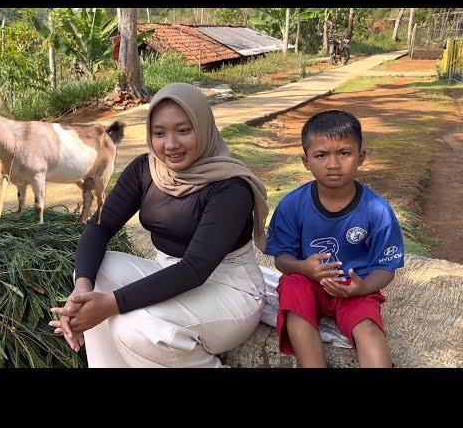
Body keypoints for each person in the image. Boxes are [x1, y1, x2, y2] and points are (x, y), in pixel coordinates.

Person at [49, 82, 269, 368]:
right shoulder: (146, 169)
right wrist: (81, 290)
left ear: (203, 128)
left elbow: (194, 269)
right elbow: (99, 228)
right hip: (168, 272)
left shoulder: (231, 187)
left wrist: (109, 305)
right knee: (93, 274)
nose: (171, 144)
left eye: (183, 130)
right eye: (159, 133)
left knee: (133, 329)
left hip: (230, 289)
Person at [265, 110, 404, 368]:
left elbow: (386, 268)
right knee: (292, 288)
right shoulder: (293, 205)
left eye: (344, 153)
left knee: (368, 327)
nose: (333, 164)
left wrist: (361, 288)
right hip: (309, 283)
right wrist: (303, 267)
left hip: (354, 289)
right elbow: (281, 258)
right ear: (306, 161)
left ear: (360, 157)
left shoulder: (377, 210)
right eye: (321, 155)